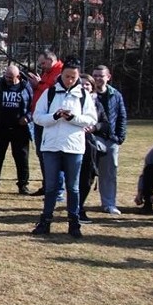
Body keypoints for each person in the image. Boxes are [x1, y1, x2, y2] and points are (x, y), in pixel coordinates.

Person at [31, 58, 97, 238]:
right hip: (51, 146)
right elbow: (37, 117)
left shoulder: (83, 95)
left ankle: (74, 223)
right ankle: (45, 221)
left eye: (73, 77)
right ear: (61, 74)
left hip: (74, 147)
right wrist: (55, 116)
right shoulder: (50, 92)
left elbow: (91, 119)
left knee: (73, 187)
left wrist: (72, 118)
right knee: (51, 186)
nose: (70, 80)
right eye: (67, 76)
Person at [0, 64, 33, 195]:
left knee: (22, 158)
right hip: (0, 128)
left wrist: (28, 117)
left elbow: (32, 105)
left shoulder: (26, 87)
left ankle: (23, 184)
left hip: (20, 128)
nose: (7, 79)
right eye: (6, 76)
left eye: (10, 77)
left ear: (17, 76)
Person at [27, 49, 64, 196]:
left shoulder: (60, 72)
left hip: (51, 121)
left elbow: (54, 92)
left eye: (43, 63)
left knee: (52, 154)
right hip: (40, 119)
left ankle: (57, 189)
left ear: (51, 59)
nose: (41, 66)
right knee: (42, 154)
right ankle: (48, 185)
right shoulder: (48, 73)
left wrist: (39, 84)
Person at [92, 65, 128, 215]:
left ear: (108, 77)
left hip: (110, 139)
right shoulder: (87, 94)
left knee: (109, 173)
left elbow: (122, 117)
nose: (98, 78)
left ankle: (109, 203)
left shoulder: (116, 95)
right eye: (95, 75)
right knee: (86, 172)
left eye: (101, 76)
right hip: (92, 138)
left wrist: (119, 137)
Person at [77, 74, 109, 224]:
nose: (84, 87)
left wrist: (94, 127)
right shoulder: (72, 100)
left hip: (90, 146)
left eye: (87, 84)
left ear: (92, 87)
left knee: (87, 178)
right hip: (73, 144)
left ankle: (80, 207)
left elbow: (105, 123)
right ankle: (74, 208)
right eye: (81, 84)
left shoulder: (97, 104)